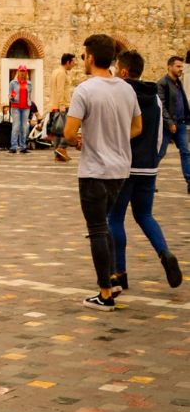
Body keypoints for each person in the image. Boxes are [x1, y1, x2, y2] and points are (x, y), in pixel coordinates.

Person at [63, 34, 142, 310]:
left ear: (92, 58)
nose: (83, 60)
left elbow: (69, 132)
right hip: (120, 170)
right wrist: (115, 138)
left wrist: (82, 140)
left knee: (97, 229)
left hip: (95, 171)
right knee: (105, 224)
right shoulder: (127, 90)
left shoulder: (85, 90)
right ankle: (112, 277)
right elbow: (137, 128)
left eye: (84, 56)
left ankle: (105, 294)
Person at [108, 51, 182, 291]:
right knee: (144, 215)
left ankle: (120, 272)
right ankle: (164, 252)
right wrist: (154, 160)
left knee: (115, 218)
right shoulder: (155, 97)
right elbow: (160, 134)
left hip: (124, 166)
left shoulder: (121, 94)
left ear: (124, 71)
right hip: (148, 167)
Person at [156, 55, 190, 192]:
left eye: (182, 66)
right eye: (178, 66)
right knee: (160, 153)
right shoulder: (162, 83)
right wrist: (169, 122)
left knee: (186, 152)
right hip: (167, 126)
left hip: (180, 124)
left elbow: (182, 103)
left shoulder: (178, 83)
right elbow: (161, 105)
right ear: (169, 67)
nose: (181, 69)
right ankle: (148, 181)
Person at [49, 53, 76, 161]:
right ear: (68, 62)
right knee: (68, 129)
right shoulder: (61, 73)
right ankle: (61, 148)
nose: (74, 64)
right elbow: (60, 90)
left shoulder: (55, 71)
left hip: (54, 104)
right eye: (73, 62)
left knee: (58, 131)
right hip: (63, 105)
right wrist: (62, 105)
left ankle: (58, 155)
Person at [8, 63, 32, 153]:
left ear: (26, 72)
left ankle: (23, 147)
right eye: (21, 71)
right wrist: (11, 97)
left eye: (24, 71)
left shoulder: (29, 83)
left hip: (26, 107)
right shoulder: (13, 83)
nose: (22, 72)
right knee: (16, 126)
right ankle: (13, 147)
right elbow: (9, 94)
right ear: (18, 72)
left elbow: (29, 96)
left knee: (24, 127)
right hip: (15, 107)